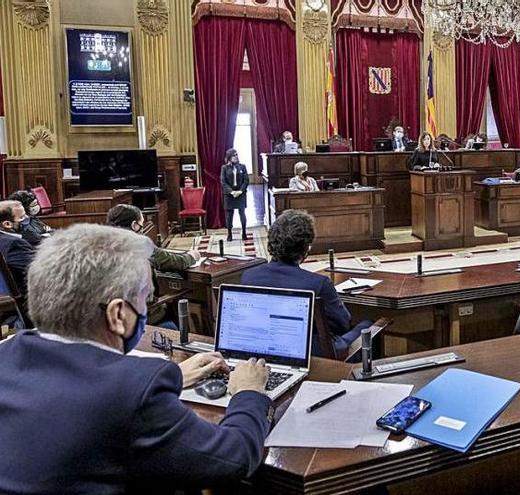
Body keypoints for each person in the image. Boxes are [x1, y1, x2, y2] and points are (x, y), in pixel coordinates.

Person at [0, 224, 272, 493]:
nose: (147, 306)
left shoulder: (6, 353)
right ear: (118, 315)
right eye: (145, 298)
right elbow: (233, 459)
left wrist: (176, 374)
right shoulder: (134, 389)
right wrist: (248, 392)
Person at [240, 210, 373, 358]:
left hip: (264, 350)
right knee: (369, 325)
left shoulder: (249, 276)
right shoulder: (318, 283)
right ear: (306, 248)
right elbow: (343, 324)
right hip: (314, 356)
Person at [106, 204, 202, 327]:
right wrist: (192, 256)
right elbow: (178, 262)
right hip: (144, 320)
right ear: (134, 225)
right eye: (141, 225)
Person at [0, 200, 36, 296]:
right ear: (7, 224)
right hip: (26, 301)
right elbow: (40, 270)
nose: (27, 219)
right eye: (22, 217)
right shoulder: (14, 244)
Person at [221, 148, 250, 242]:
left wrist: (240, 191)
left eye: (237, 155)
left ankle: (244, 232)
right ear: (229, 157)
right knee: (229, 214)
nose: (236, 157)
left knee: (242, 213)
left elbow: (246, 180)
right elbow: (223, 182)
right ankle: (229, 233)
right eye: (234, 155)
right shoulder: (224, 168)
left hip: (240, 193)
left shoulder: (242, 166)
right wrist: (231, 192)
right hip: (229, 195)